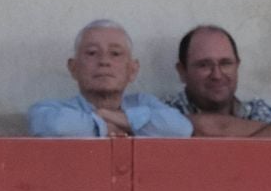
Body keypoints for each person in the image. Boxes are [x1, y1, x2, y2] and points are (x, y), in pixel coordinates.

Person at [28, 20, 192, 138]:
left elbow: (181, 129)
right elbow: (57, 126)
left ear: (132, 70)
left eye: (115, 54)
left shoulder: (144, 102)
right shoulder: (51, 108)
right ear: (73, 68)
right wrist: (110, 127)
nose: (104, 61)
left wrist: (108, 115)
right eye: (92, 53)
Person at [165, 26, 271, 139]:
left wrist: (239, 158)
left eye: (225, 63)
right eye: (204, 65)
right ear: (182, 71)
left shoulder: (255, 111)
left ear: (237, 66)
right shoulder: (165, 111)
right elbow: (200, 127)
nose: (217, 75)